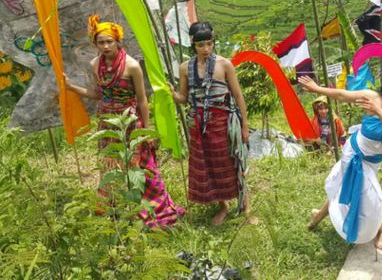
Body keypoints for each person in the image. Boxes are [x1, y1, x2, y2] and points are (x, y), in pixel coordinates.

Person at [65, 14, 184, 227]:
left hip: (130, 123)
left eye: (109, 41)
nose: (105, 46)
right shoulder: (95, 65)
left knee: (141, 167)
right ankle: (117, 211)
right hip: (108, 124)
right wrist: (72, 87)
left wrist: (146, 131)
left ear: (117, 41)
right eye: (101, 42)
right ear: (95, 44)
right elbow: (99, 94)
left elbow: (142, 99)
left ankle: (149, 210)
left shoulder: (131, 66)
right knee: (111, 167)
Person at [300, 67, 382, 250]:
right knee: (371, 195)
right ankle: (380, 232)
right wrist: (317, 89)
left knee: (345, 185)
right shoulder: (372, 97)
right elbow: (342, 94)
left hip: (374, 161)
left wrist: (379, 112)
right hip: (354, 152)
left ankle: (317, 217)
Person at [170, 22, 250, 226]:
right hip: (198, 126)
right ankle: (222, 206)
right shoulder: (185, 68)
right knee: (209, 167)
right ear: (193, 45)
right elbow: (184, 98)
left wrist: (244, 126)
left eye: (209, 44)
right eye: (200, 45)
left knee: (234, 162)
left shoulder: (224, 65)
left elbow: (238, 95)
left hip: (223, 124)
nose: (206, 49)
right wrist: (172, 94)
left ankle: (246, 207)